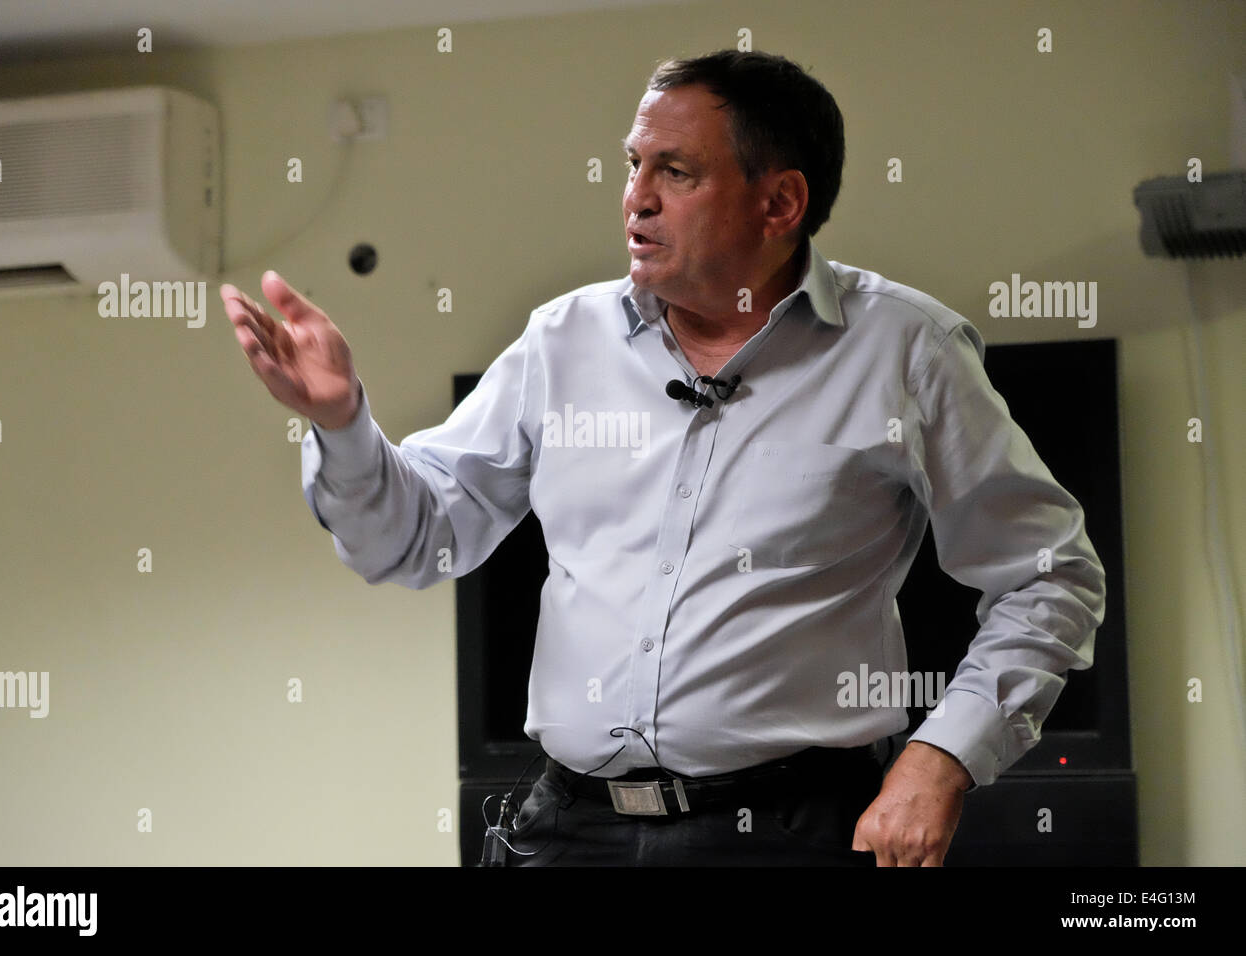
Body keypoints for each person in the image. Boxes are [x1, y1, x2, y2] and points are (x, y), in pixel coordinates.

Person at [220, 50, 1105, 867]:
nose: (634, 196)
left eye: (674, 171)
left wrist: (943, 756)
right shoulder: (562, 340)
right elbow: (410, 542)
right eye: (632, 166)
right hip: (567, 830)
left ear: (779, 203)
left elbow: (1050, 573)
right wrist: (341, 424)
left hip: (785, 837)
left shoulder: (905, 351)